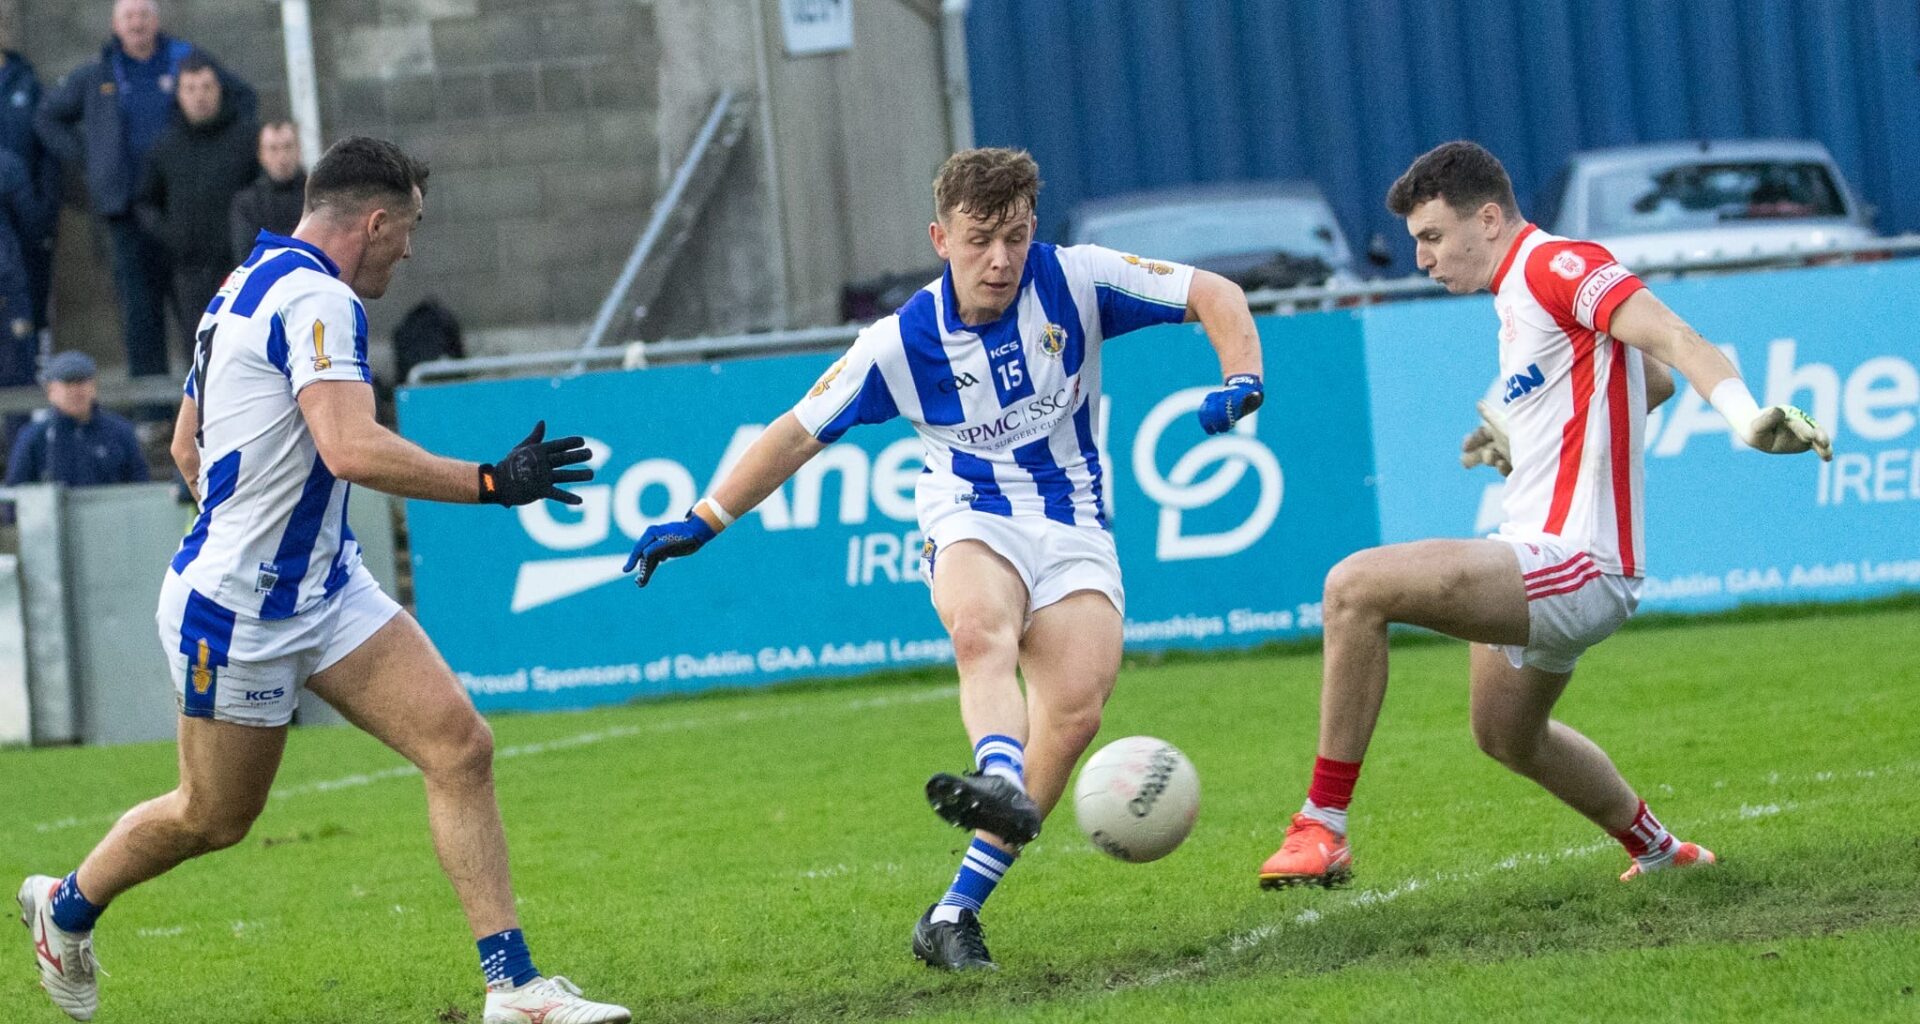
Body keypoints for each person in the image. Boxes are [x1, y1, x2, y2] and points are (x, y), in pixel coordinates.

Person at [16, 136, 628, 1024]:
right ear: (375, 222)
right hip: (238, 616)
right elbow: (350, 447)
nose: (411, 250)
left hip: (326, 592)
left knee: (461, 746)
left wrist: (268, 535)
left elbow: (189, 446)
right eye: (409, 228)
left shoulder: (243, 284)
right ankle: (64, 908)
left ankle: (516, 989)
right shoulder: (319, 300)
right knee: (212, 817)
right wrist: (492, 483)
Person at [624, 147, 1265, 970]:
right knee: (978, 627)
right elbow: (794, 433)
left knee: (1074, 713)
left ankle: (953, 914)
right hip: (971, 513)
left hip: (1074, 522)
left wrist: (1240, 375)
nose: (1000, 260)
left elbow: (1216, 294)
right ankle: (997, 768)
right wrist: (703, 518)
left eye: (1015, 238)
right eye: (979, 241)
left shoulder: (1077, 279)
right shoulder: (898, 344)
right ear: (940, 237)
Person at [1256, 140, 1832, 890]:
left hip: (1576, 560)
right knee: (1506, 735)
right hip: (1544, 554)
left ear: (1488, 218)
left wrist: (1746, 415)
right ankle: (1663, 852)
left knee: (1353, 587)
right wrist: (1522, 437)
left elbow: (1674, 338)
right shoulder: (1518, 298)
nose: (1423, 259)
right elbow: (1648, 379)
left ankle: (1320, 827)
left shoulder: (1554, 265)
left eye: (1432, 236)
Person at [35, 0, 256, 380]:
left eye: (143, 15)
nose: (136, 24)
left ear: (156, 21)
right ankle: (152, 414)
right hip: (127, 213)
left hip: (185, 210)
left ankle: (208, 396)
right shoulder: (98, 73)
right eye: (128, 17)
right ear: (115, 26)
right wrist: (92, 158)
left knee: (202, 310)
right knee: (140, 313)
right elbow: (47, 118)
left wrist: (224, 149)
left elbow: (243, 97)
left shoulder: (184, 59)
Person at [134, 53, 258, 348]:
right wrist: (172, 236)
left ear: (219, 90)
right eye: (190, 89)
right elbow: (145, 203)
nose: (199, 96)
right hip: (189, 274)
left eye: (206, 87)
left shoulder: (247, 140)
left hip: (241, 269)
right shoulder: (165, 146)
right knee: (201, 354)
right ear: (179, 94)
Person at [3, 351, 146, 486]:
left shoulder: (120, 432)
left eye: (81, 382)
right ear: (51, 391)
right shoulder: (35, 436)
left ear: (93, 386)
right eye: (67, 383)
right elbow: (16, 493)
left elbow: (141, 486)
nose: (75, 391)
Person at [0, 46, 57, 332]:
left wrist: (44, 210)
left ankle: (37, 366)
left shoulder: (29, 84)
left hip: (26, 217)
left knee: (30, 314)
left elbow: (49, 149)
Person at [229, 120, 306, 264]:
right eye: (273, 149)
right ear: (261, 155)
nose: (282, 157)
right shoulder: (247, 204)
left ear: (299, 149)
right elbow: (247, 255)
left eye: (288, 147)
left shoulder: (316, 196)